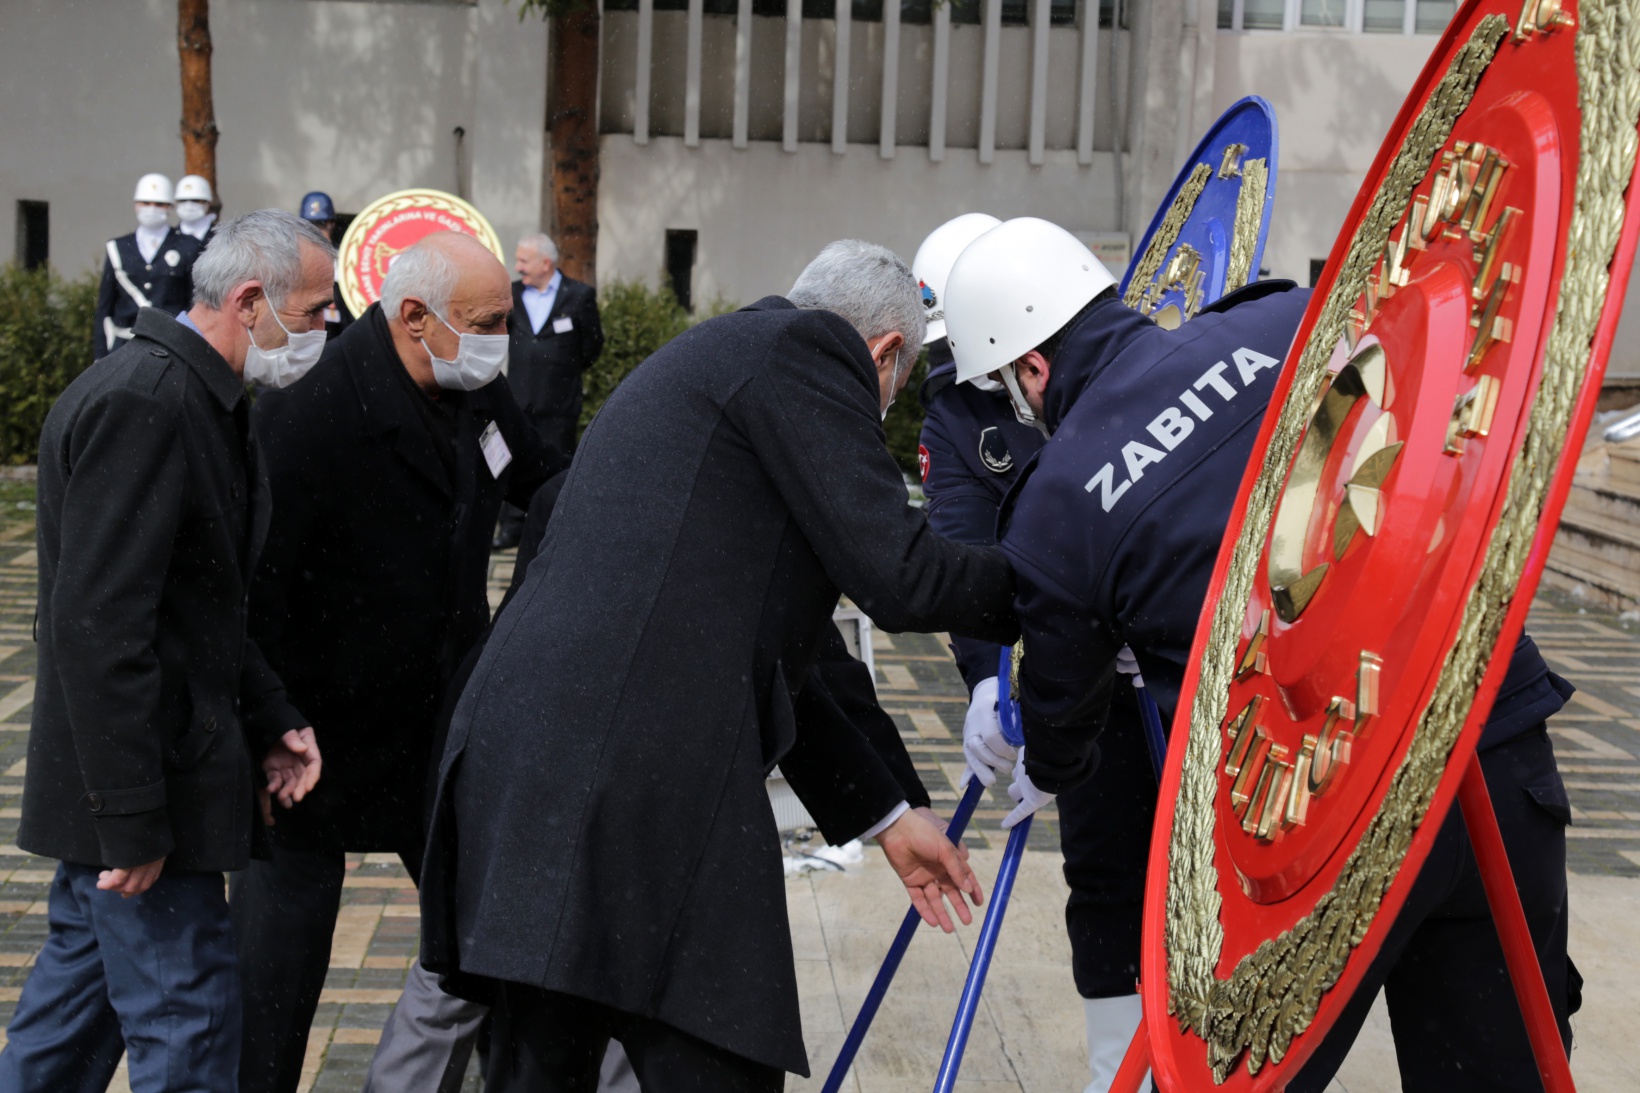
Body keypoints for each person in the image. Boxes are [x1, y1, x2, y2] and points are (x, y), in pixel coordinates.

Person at [945, 217, 1578, 1092]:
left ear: (1033, 369)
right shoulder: (1283, 317)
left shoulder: (1056, 506)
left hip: (1322, 820)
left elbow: (1064, 720)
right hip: (1486, 734)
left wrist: (1044, 746)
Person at [419, 240, 1017, 1091]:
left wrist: (889, 814)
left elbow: (791, 657)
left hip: (525, 768)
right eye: (896, 380)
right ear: (883, 353)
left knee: (540, 1067)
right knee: (720, 1057)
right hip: (632, 779)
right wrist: (1047, 579)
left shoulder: (723, 366)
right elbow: (902, 572)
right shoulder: (804, 354)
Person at [0, 209, 332, 1092]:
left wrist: (272, 716)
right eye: (316, 312)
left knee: (69, 1032)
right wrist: (134, 817)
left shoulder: (201, 396)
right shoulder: (147, 402)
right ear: (252, 301)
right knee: (189, 1031)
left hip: (147, 782)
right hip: (147, 798)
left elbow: (204, 602)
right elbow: (98, 629)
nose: (325, 331)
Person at [232, 232, 558, 1093]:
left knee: (488, 931)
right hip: (309, 737)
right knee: (275, 973)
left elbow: (547, 481)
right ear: (414, 317)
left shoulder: (477, 387)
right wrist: (268, 725)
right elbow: (251, 598)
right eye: (487, 322)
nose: (502, 339)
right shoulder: (307, 414)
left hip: (440, 724)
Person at [913, 213, 1152, 1093]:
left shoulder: (1107, 359)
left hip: (1168, 667)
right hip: (1066, 670)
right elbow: (963, 554)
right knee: (1101, 873)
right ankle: (1112, 1069)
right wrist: (985, 681)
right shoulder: (955, 410)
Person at [494, 231, 604, 548]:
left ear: (546, 263)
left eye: (523, 261)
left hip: (559, 402)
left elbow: (592, 346)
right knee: (512, 462)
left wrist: (560, 372)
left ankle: (553, 527)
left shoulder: (578, 295)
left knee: (556, 464)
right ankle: (511, 527)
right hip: (518, 398)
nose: (518, 267)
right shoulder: (512, 294)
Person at [93, 173, 203, 359]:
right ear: (136, 205)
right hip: (124, 346)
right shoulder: (118, 248)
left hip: (171, 344)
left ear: (169, 207)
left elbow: (195, 302)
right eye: (146, 203)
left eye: (159, 204)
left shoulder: (188, 246)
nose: (151, 209)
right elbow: (105, 306)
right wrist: (100, 355)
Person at [299, 190, 354, 336]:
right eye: (311, 225)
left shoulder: (346, 257)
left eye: (321, 225)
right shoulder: (292, 259)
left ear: (331, 224)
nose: (316, 231)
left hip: (339, 333)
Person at [175, 174, 217, 244]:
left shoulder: (219, 236)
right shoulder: (169, 238)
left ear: (207, 203)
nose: (188, 205)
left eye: (195, 200)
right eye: (183, 200)